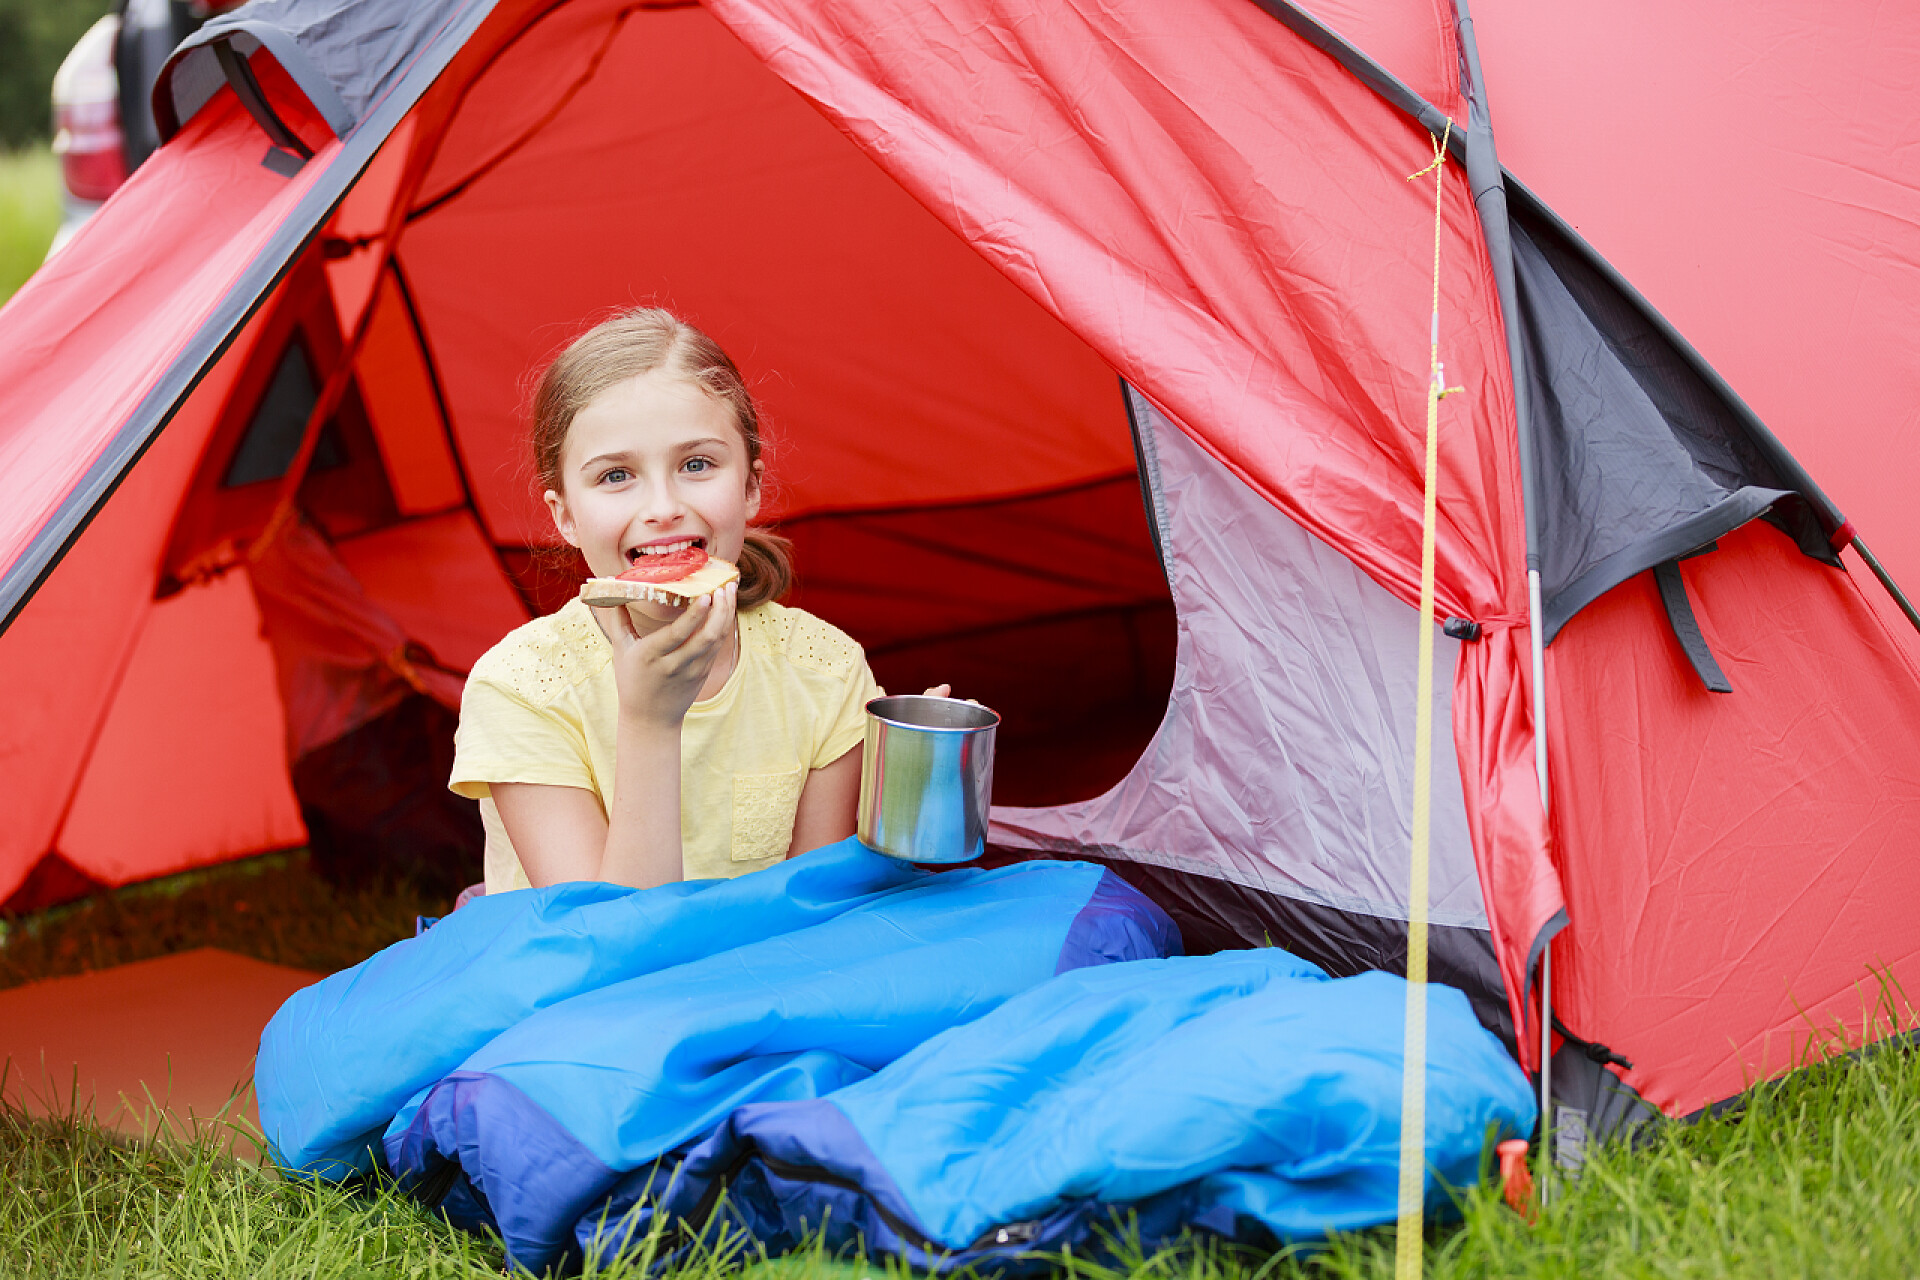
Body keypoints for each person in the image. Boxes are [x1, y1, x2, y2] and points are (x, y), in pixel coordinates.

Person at [450, 308, 940, 893]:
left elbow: (811, 907)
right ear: (566, 517)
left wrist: (905, 785)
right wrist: (650, 722)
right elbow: (609, 933)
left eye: (696, 464)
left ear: (751, 486)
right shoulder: (520, 687)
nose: (663, 507)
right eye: (615, 476)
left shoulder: (826, 672)